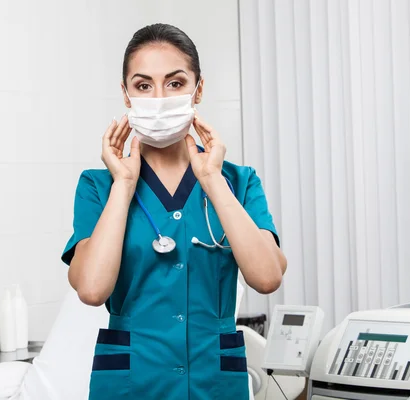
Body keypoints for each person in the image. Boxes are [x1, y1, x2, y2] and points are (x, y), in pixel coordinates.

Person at [61, 23, 287, 400]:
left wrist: (212, 179)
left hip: (213, 384)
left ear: (199, 88)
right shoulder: (98, 186)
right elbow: (92, 289)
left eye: (176, 83)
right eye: (143, 85)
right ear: (126, 94)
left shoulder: (239, 182)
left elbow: (266, 278)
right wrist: (123, 186)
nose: (159, 97)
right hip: (130, 385)